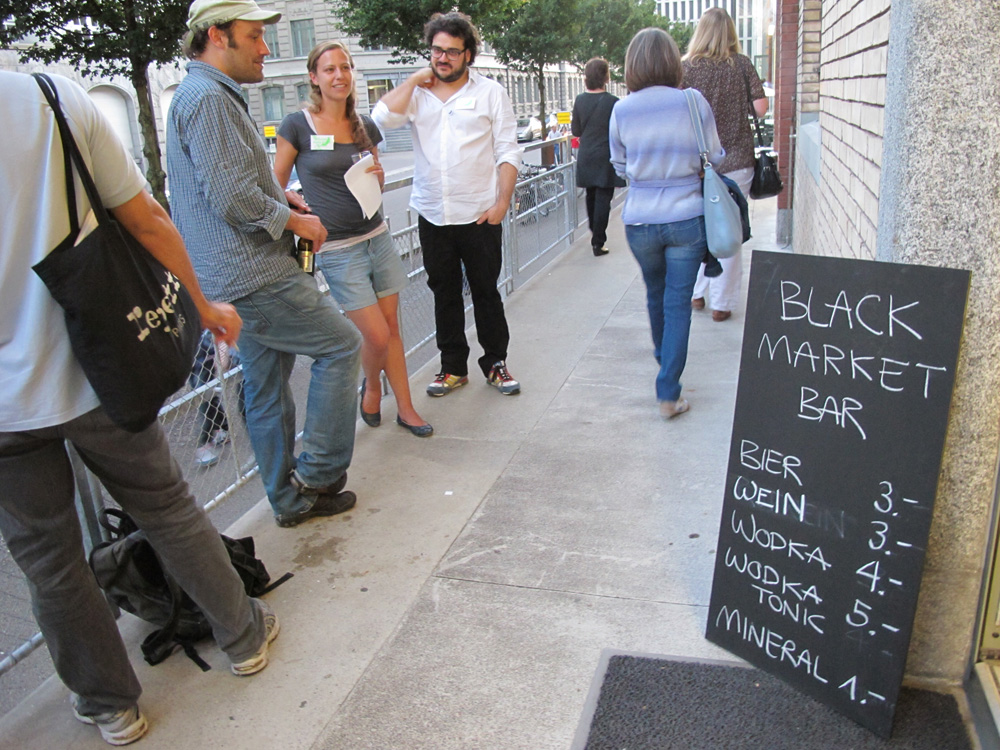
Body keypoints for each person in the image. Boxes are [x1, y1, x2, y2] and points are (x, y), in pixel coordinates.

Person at [0, 70, 278, 747]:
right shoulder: (48, 99)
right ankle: (243, 636)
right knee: (167, 509)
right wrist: (202, 305)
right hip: (97, 371)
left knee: (48, 559)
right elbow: (145, 217)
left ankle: (110, 705)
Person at [167, 0, 363, 528]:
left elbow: (230, 185)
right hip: (252, 273)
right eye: (254, 36)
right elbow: (232, 198)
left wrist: (283, 200)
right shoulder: (208, 99)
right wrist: (296, 222)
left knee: (266, 388)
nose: (265, 48)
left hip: (233, 274)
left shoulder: (205, 93)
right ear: (216, 36)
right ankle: (316, 476)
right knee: (342, 345)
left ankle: (288, 499)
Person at [273, 41, 432, 438]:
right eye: (329, 69)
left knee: (391, 327)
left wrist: (377, 176)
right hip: (338, 249)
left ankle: (406, 408)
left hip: (377, 236)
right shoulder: (297, 125)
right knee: (375, 334)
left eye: (345, 67)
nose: (339, 75)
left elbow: (375, 177)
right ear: (314, 77)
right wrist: (296, 211)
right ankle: (373, 387)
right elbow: (274, 185)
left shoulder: (364, 125)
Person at [372, 11, 523, 398]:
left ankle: (496, 363)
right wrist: (412, 80)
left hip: (480, 214)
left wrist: (502, 202)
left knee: (486, 291)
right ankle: (452, 367)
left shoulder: (490, 93)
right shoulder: (417, 94)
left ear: (468, 54)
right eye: (437, 50)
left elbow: (508, 150)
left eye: (452, 51)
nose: (442, 58)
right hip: (433, 214)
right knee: (444, 293)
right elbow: (380, 119)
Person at [609, 28, 725, 419]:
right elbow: (716, 156)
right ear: (673, 61)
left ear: (632, 65)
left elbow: (619, 165)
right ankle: (668, 392)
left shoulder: (622, 110)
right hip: (686, 218)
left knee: (654, 294)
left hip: (640, 220)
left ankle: (665, 361)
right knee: (678, 304)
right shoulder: (692, 102)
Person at [683, 7, 768, 322]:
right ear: (730, 33)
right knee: (730, 228)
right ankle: (722, 303)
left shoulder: (685, 68)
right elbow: (761, 108)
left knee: (698, 227)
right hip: (736, 159)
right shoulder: (742, 64)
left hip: (696, 162)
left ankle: (695, 293)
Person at [571, 57, 626, 257]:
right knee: (604, 197)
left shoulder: (580, 100)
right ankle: (598, 241)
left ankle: (594, 230)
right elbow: (620, 131)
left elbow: (576, 130)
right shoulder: (613, 102)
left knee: (591, 194)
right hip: (606, 155)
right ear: (606, 77)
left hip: (586, 154)